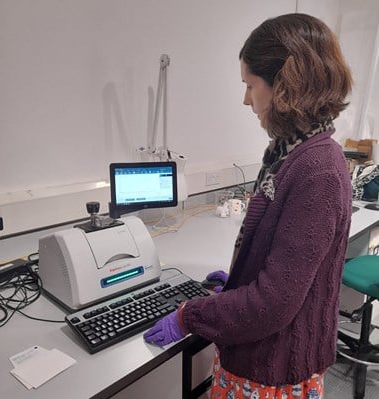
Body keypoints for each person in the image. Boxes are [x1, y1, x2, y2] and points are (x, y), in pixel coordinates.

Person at [144, 13, 352, 399]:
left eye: (250, 85)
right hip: (261, 355)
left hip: (273, 371)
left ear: (285, 86)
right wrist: (239, 281)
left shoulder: (317, 170)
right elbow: (285, 267)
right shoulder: (286, 152)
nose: (245, 99)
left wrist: (189, 315)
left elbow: (272, 305)